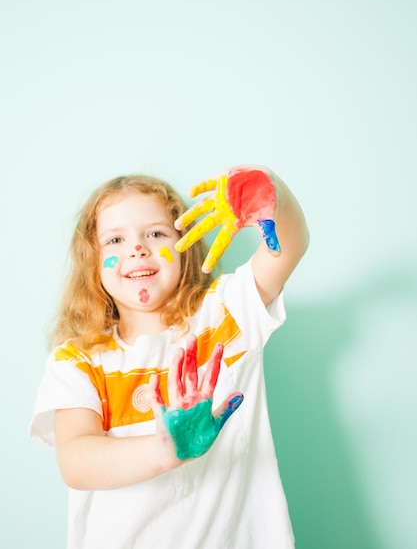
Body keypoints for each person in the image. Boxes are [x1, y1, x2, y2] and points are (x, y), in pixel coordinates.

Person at [30, 164, 309, 549]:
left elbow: (289, 247)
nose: (138, 248)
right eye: (115, 241)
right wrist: (164, 450)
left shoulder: (227, 313)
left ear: (185, 244)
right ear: (92, 263)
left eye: (156, 233)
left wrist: (270, 192)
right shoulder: (79, 360)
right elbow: (76, 460)